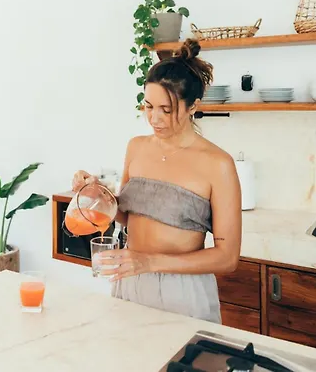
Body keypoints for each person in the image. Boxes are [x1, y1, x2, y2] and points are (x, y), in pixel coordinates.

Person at [72, 38, 242, 324]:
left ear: (193, 106)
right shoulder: (136, 146)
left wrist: (149, 262)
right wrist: (96, 193)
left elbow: (228, 258)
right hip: (130, 281)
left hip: (182, 292)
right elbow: (126, 216)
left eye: (167, 109)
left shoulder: (218, 164)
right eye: (149, 106)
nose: (154, 118)